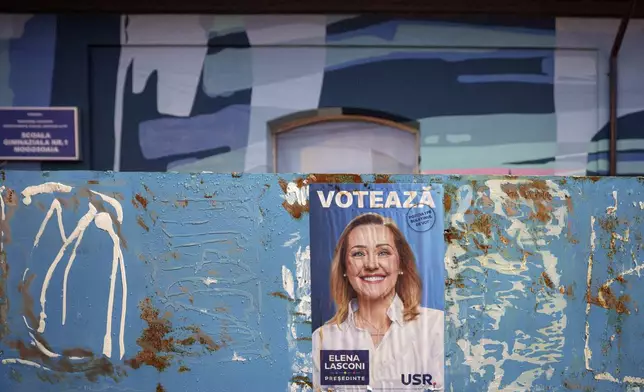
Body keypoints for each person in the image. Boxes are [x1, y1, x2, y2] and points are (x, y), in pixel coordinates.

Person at [312, 212, 444, 391]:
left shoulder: (437, 328)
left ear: (401, 265)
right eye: (358, 253)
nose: (371, 264)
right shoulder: (323, 340)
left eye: (383, 252)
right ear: (344, 267)